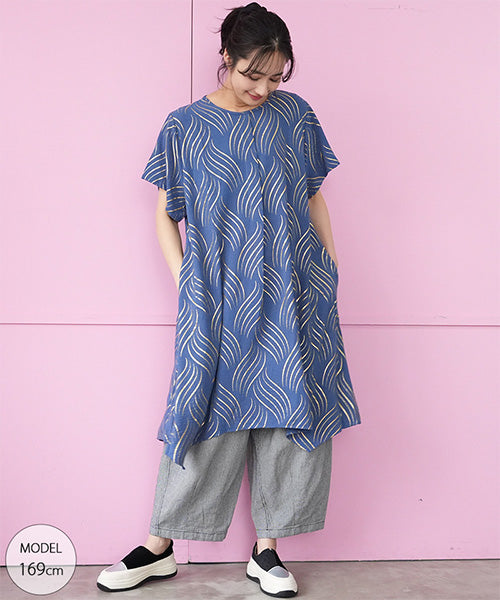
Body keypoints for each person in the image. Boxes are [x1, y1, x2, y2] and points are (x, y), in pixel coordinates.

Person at [96, 2, 361, 597]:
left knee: (290, 405)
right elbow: (167, 212)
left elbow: (313, 195)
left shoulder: (295, 116)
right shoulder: (185, 126)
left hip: (295, 284)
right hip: (216, 293)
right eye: (251, 74)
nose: (263, 89)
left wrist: (331, 264)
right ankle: (161, 545)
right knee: (203, 406)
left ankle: (267, 550)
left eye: (276, 77)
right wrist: (185, 280)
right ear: (225, 58)